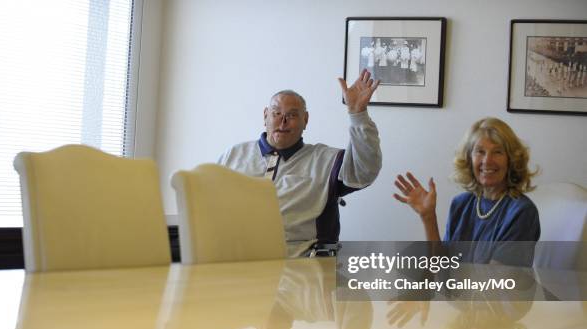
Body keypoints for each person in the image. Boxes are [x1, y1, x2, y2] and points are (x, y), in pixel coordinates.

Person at [219, 70, 382, 257]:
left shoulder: (326, 161)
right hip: (235, 262)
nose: (283, 121)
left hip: (299, 269)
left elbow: (365, 170)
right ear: (265, 116)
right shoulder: (234, 155)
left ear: (305, 120)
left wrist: (358, 115)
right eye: (276, 113)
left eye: (292, 115)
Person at [393, 117, 540, 246]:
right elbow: (440, 267)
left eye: (498, 152)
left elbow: (496, 277)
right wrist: (428, 216)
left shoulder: (522, 212)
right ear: (469, 159)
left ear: (511, 160)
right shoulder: (461, 203)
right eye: (480, 152)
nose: (487, 161)